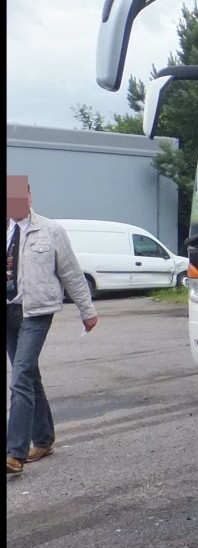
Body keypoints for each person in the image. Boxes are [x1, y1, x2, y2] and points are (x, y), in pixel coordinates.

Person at [6, 178, 98, 475]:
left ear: (30, 197)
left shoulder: (51, 230)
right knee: (29, 375)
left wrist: (87, 310)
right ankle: (44, 440)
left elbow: (71, 273)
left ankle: (14, 453)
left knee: (20, 376)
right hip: (8, 312)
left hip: (36, 313)